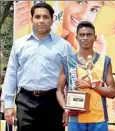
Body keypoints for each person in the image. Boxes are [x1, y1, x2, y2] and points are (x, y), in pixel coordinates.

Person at [1, 3, 75, 131]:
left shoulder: (64, 46)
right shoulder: (19, 45)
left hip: (53, 101)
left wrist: (67, 107)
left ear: (52, 20)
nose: (41, 21)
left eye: (46, 17)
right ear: (32, 19)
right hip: (25, 101)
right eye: (38, 17)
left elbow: (72, 78)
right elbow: (11, 75)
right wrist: (7, 105)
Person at [56, 21, 115, 131]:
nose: (85, 38)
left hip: (99, 118)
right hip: (75, 119)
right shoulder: (67, 61)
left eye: (89, 35)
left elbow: (112, 92)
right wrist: (66, 108)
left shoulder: (105, 61)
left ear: (95, 37)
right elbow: (59, 90)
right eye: (82, 35)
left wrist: (91, 85)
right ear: (77, 38)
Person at [15, 1, 115, 55]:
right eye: (79, 2)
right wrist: (20, 28)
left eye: (93, 9)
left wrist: (97, 58)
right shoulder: (28, 36)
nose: (83, 15)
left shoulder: (76, 46)